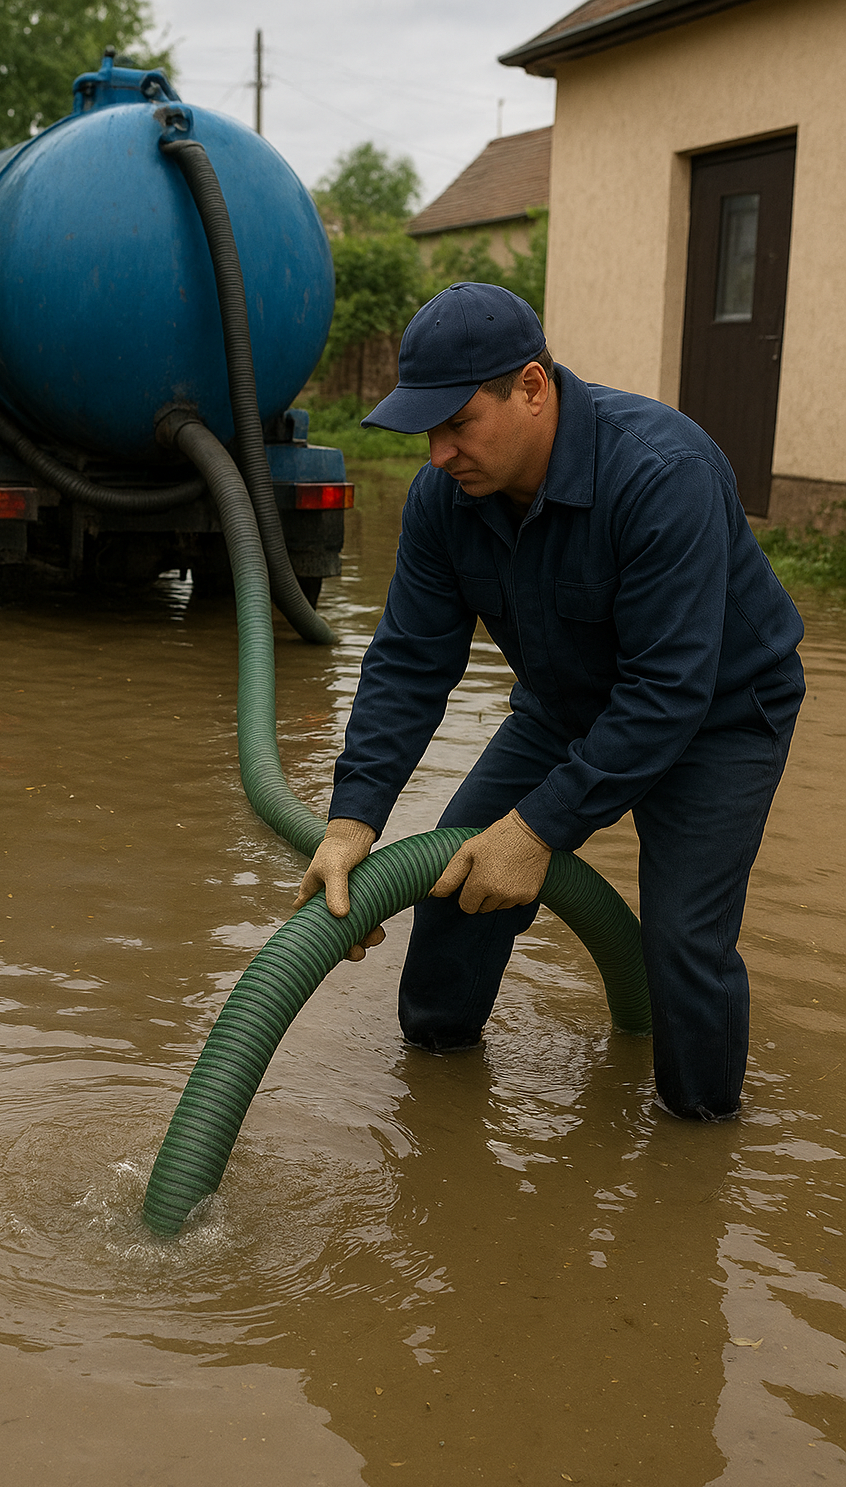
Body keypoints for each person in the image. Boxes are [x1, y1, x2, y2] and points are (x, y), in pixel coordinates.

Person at [295, 282, 804, 1121]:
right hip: (564, 706)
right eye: (428, 430)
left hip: (721, 715)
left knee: (682, 941)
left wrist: (536, 831)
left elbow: (668, 689)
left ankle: (700, 1141)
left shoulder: (661, 473)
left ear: (532, 388)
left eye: (458, 424)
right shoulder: (444, 501)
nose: (438, 454)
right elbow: (410, 663)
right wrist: (353, 820)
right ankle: (436, 1086)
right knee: (459, 882)